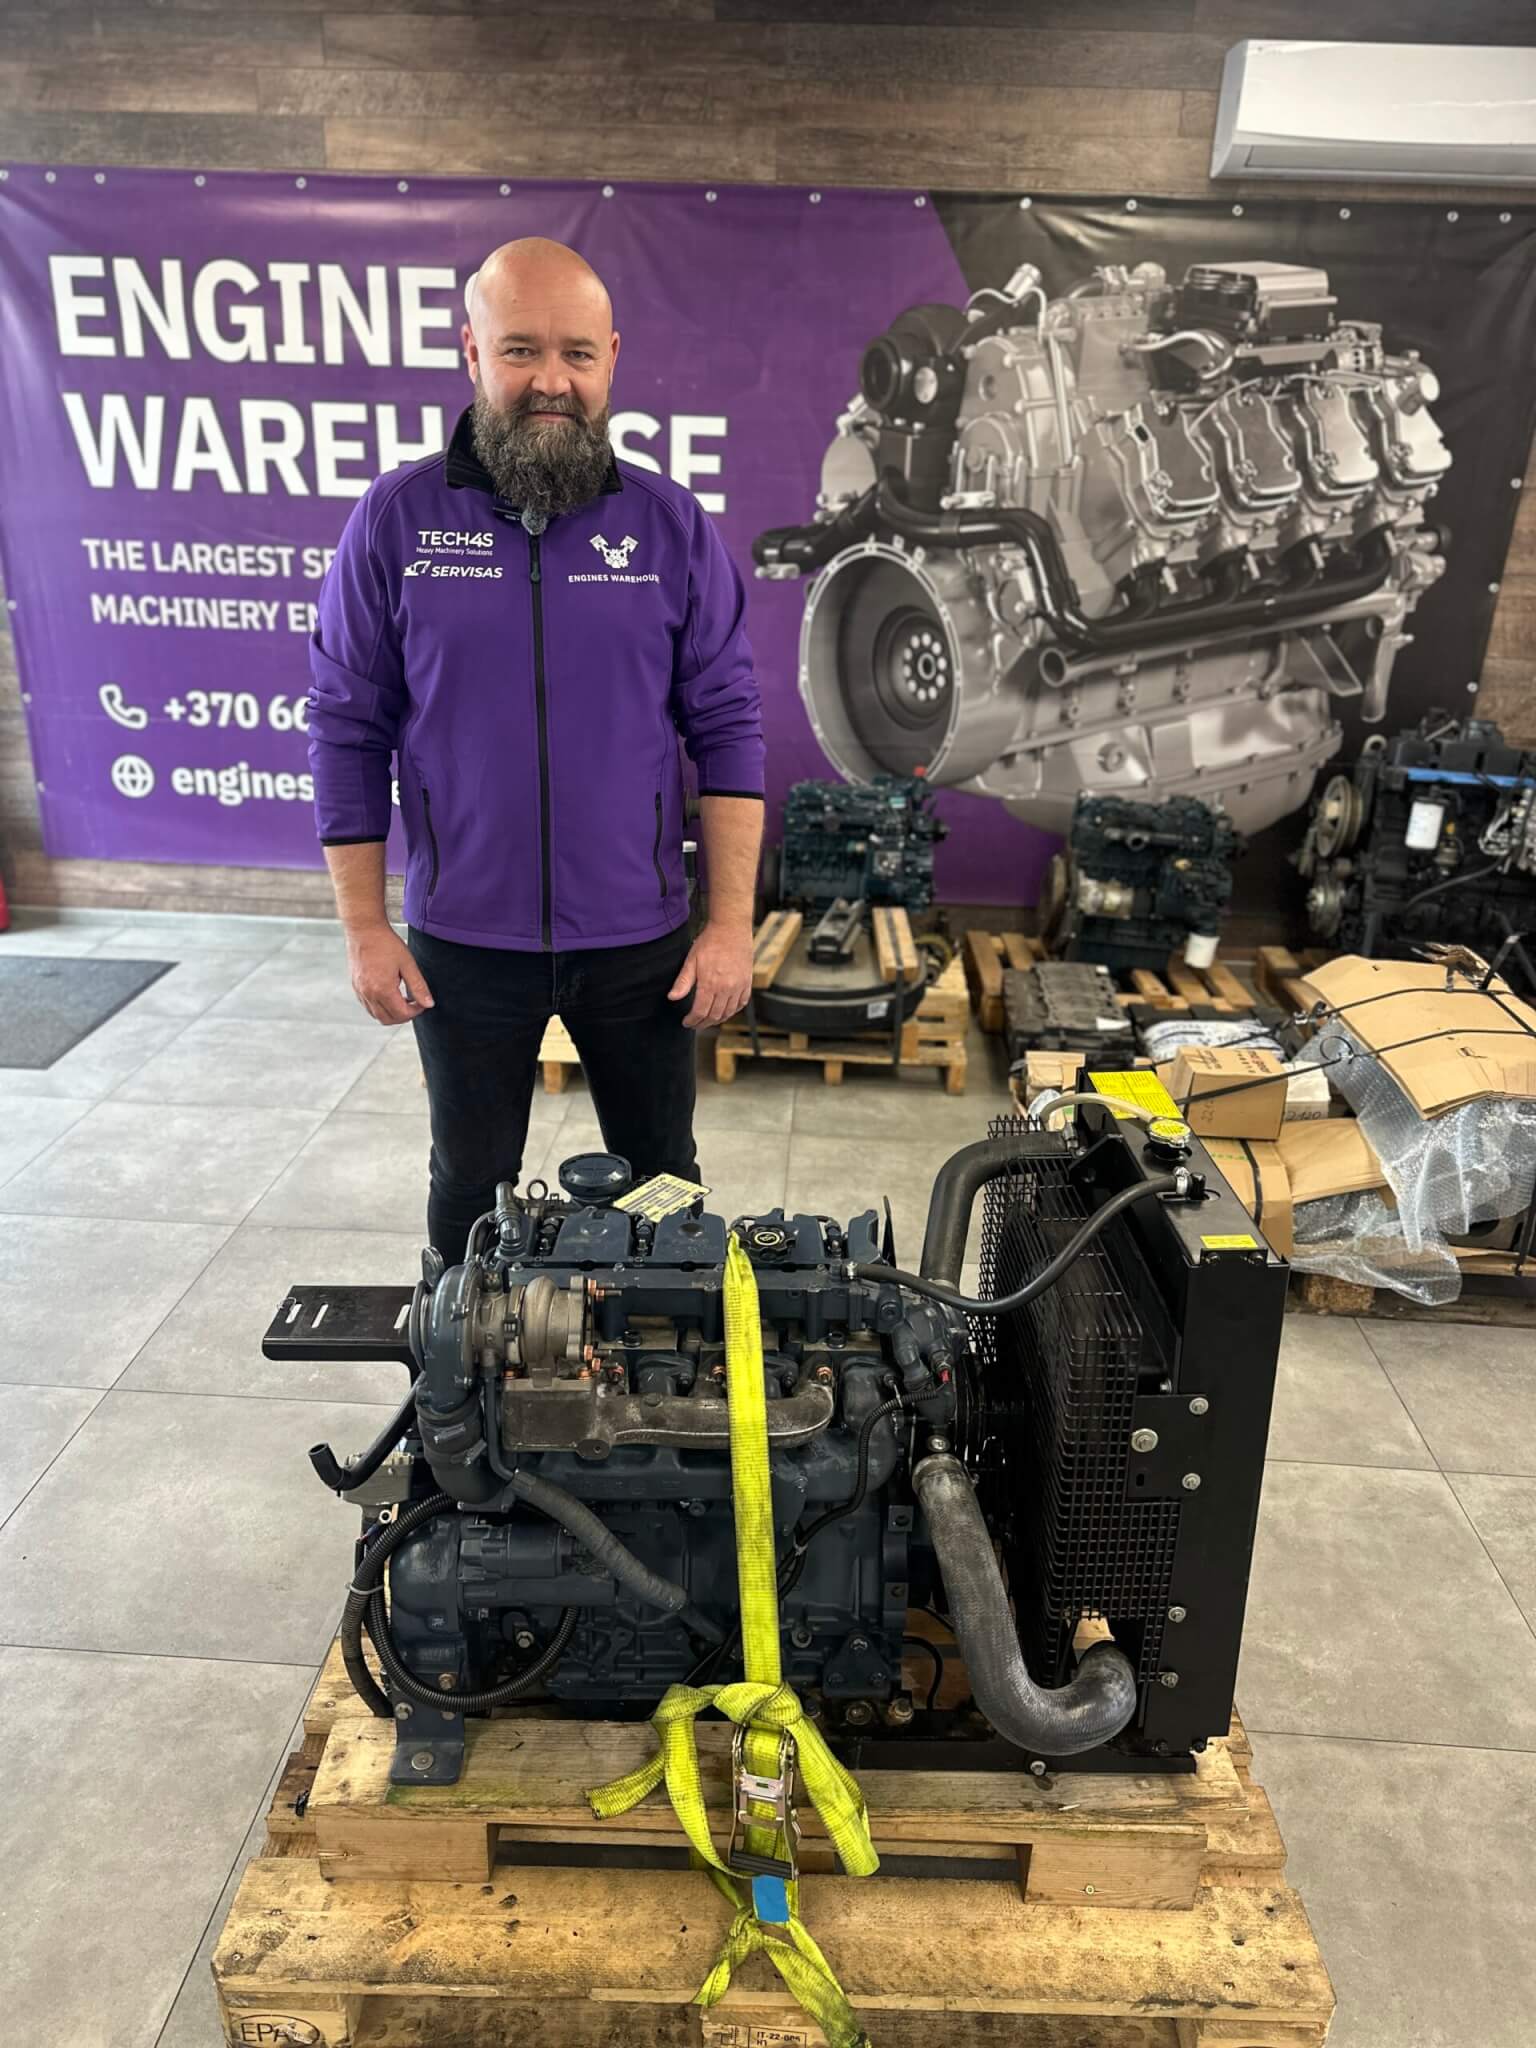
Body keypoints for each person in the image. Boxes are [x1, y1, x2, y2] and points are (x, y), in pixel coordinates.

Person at [307, 237, 764, 1264]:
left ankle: (663, 1348)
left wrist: (730, 926)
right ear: (473, 352)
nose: (551, 380)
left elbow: (729, 730)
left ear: (612, 360)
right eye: (521, 350)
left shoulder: (669, 527)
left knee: (663, 1180)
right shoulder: (396, 522)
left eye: (576, 354)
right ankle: (453, 1362)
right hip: (464, 942)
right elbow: (346, 728)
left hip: (639, 939)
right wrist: (365, 927)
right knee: (470, 1184)